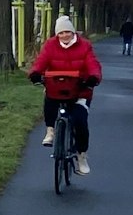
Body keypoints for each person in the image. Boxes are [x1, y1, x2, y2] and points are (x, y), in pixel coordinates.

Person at [30, 14, 101, 175]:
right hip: (57, 87)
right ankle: (50, 131)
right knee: (49, 101)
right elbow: (41, 61)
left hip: (80, 89)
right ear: (57, 34)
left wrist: (93, 77)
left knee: (80, 121)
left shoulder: (84, 46)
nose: (64, 36)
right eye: (61, 33)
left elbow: (92, 63)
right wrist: (35, 73)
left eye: (67, 32)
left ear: (73, 32)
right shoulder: (50, 45)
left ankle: (81, 156)